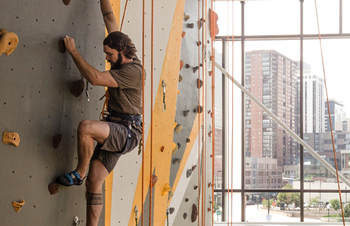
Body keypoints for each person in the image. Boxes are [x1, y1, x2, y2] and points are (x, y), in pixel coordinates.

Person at [55, 1, 143, 225]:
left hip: (127, 131)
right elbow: (109, 16)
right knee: (95, 182)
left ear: (121, 51)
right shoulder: (120, 48)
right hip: (117, 128)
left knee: (86, 128)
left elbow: (94, 78)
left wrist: (73, 52)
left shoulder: (132, 72)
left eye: (109, 54)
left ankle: (79, 172)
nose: (107, 58)